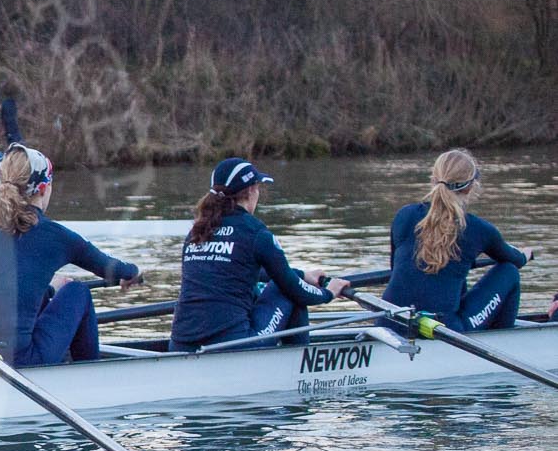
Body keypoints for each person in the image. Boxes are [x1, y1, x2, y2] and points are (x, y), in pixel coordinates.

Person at [0, 145, 144, 365]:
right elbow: (115, 269)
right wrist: (135, 272)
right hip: (18, 361)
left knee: (41, 294)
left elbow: (7, 278)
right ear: (44, 188)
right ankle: (91, 376)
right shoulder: (57, 236)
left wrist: (49, 287)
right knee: (77, 291)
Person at [169, 157, 348, 352]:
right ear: (252, 190)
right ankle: (301, 366)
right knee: (285, 292)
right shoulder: (255, 232)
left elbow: (240, 270)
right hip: (234, 346)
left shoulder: (198, 231)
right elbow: (294, 289)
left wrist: (302, 274)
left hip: (180, 343)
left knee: (278, 283)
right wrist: (329, 292)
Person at [385, 149, 534, 332]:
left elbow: (396, 270)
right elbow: (515, 260)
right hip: (444, 331)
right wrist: (526, 254)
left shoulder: (404, 215)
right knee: (509, 272)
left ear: (433, 178)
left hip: (390, 322)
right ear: (470, 186)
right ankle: (501, 342)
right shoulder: (479, 229)